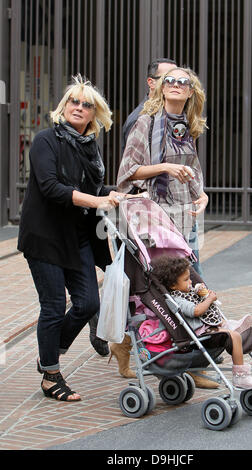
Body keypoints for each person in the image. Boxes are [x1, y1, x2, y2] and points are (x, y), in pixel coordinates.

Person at [17, 74, 127, 402]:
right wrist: (97, 201)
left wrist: (123, 195)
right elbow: (51, 187)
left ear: (95, 114)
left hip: (77, 237)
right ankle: (51, 375)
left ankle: (49, 352)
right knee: (52, 306)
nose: (78, 107)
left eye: (86, 104)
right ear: (63, 108)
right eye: (73, 102)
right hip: (45, 236)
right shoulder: (45, 141)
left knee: (88, 303)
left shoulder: (89, 148)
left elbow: (94, 191)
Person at [112, 67, 212, 387]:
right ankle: (174, 356)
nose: (177, 85)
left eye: (184, 82)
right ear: (161, 88)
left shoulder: (186, 126)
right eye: (171, 80)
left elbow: (192, 170)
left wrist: (203, 196)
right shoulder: (147, 123)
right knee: (160, 290)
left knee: (188, 285)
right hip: (156, 220)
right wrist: (166, 166)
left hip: (185, 218)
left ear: (191, 91)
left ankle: (191, 358)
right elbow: (127, 172)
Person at [151, 255, 252, 390]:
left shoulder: (189, 292)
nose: (190, 282)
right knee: (234, 336)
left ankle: (230, 326)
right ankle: (241, 377)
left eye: (190, 278)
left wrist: (204, 294)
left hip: (208, 329)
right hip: (201, 334)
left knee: (233, 331)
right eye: (186, 280)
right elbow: (196, 311)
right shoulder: (177, 300)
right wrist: (208, 299)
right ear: (173, 285)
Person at [121, 58, 177, 155]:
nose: (176, 84)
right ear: (151, 83)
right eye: (169, 79)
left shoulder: (177, 115)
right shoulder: (139, 119)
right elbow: (131, 167)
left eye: (179, 80)